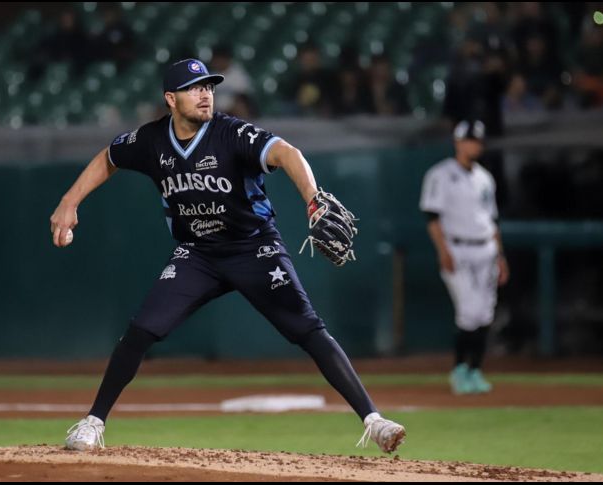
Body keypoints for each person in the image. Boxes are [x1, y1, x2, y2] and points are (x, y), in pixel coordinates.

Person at [50, 58, 406, 454]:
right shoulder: (151, 141)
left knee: (308, 330)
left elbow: (287, 153)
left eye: (209, 87)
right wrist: (69, 201)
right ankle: (92, 422)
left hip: (253, 247)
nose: (205, 94)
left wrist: (313, 201)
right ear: (171, 98)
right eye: (194, 88)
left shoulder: (232, 133)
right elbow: (109, 157)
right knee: (140, 332)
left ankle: (373, 421)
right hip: (197, 255)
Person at [419, 120, 510, 395]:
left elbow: (491, 221)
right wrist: (443, 251)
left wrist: (501, 256)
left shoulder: (485, 177)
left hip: (486, 249)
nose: (474, 145)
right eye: (469, 140)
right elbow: (432, 218)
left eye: (478, 140)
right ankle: (460, 370)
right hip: (457, 248)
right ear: (457, 142)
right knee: (469, 311)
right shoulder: (441, 174)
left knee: (485, 313)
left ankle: (475, 371)